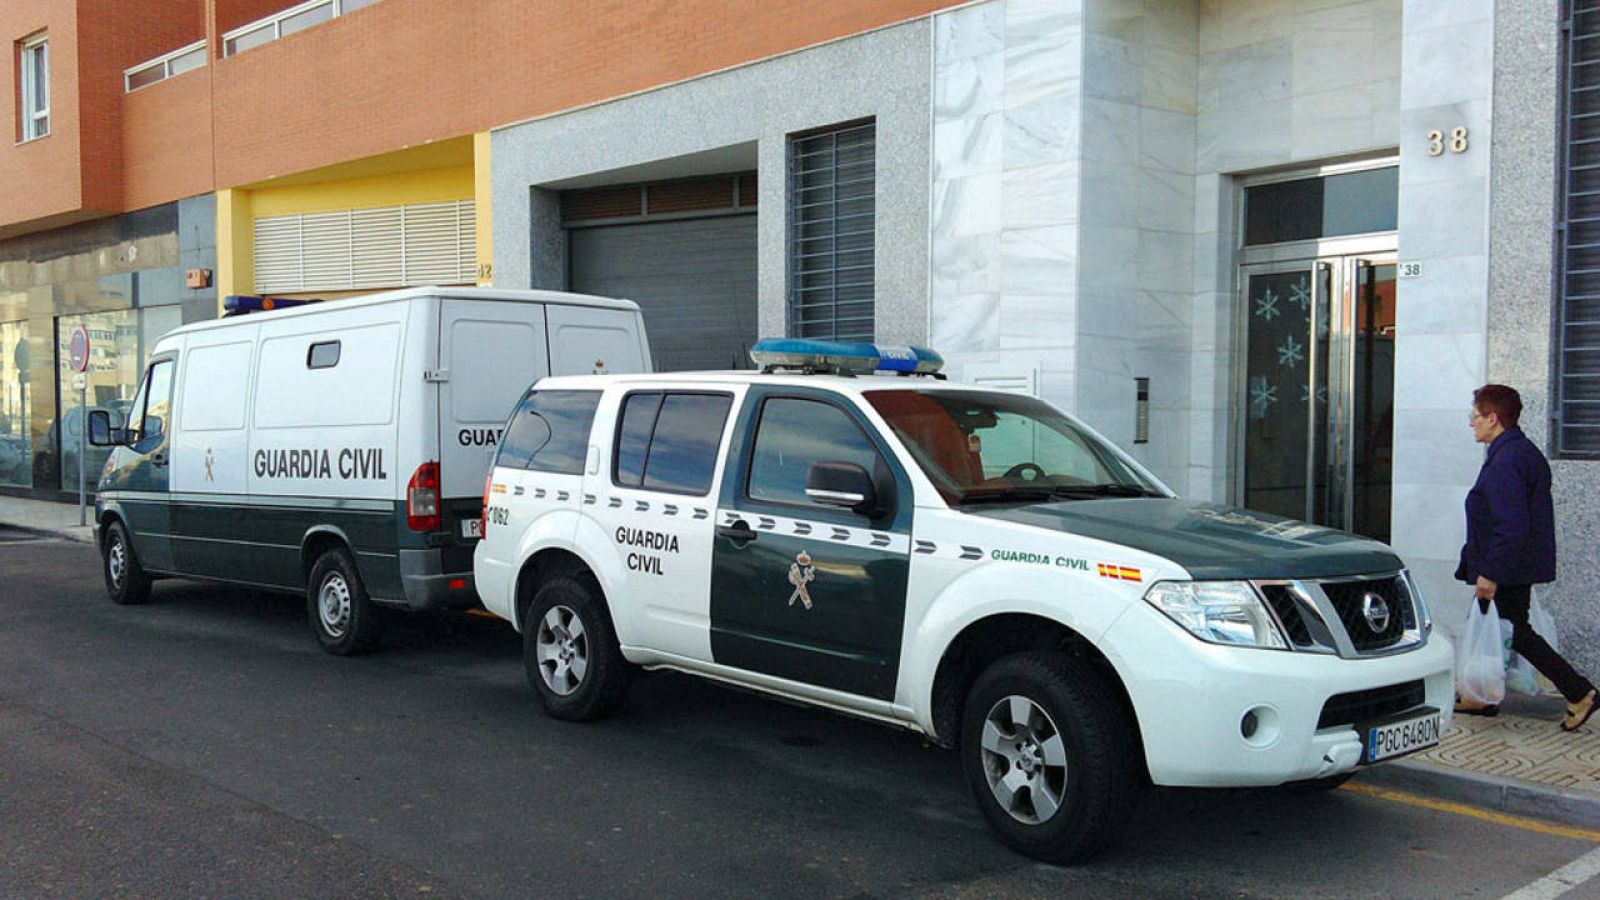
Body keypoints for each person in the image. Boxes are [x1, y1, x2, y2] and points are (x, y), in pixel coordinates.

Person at [1455, 384, 1597, 731]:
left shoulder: (1508, 460)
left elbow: (1511, 525)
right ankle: (1483, 694)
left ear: (1493, 418)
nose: (1471, 424)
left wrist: (1490, 572)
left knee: (1514, 631)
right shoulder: (1514, 451)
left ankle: (1579, 692)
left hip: (1507, 568)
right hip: (1512, 565)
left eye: (1474, 417)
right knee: (1497, 626)